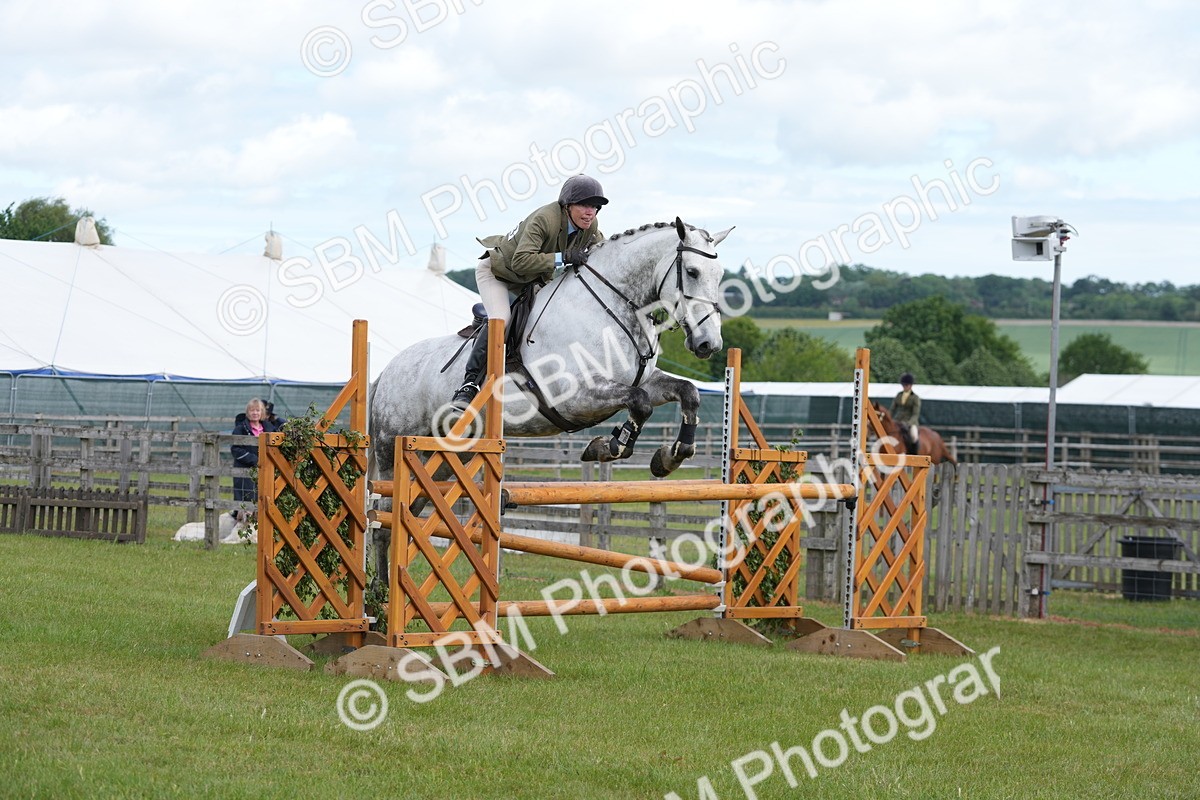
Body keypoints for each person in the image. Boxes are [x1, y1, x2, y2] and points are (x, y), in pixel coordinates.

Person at [450, 174, 608, 410]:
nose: (590, 212)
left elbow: (601, 254)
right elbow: (520, 261)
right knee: (501, 320)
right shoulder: (544, 219)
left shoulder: (590, 226)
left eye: (595, 207)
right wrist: (562, 257)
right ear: (567, 205)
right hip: (499, 272)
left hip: (531, 279)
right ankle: (469, 384)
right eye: (585, 205)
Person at [230, 398, 282, 519]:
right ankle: (240, 530)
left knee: (264, 498)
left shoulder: (270, 428)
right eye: (252, 410)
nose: (255, 413)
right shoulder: (240, 428)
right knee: (246, 502)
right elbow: (236, 449)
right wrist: (256, 459)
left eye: (258, 410)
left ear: (262, 412)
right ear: (248, 412)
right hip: (245, 471)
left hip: (266, 470)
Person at [890, 373, 921, 454]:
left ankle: (914, 453)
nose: (905, 387)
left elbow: (915, 414)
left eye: (907, 385)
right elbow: (892, 409)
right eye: (904, 385)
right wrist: (890, 419)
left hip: (910, 422)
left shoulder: (915, 398)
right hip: (898, 420)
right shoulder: (899, 395)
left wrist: (909, 423)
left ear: (911, 385)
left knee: (914, 436)